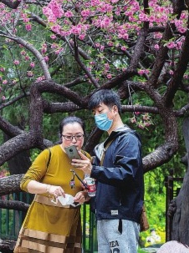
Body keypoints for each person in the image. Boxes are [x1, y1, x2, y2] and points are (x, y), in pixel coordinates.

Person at [73, 89, 144, 253]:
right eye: (94, 112)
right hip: (103, 215)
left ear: (114, 110)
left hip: (121, 217)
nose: (97, 116)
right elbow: (100, 180)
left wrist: (94, 170)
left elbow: (127, 174)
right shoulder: (103, 146)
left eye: (100, 111)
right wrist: (87, 184)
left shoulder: (128, 139)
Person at [14, 116, 91, 253]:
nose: (74, 141)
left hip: (68, 225)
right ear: (61, 136)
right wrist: (49, 188)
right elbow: (25, 183)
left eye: (78, 136)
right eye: (68, 137)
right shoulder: (49, 155)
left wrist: (84, 195)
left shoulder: (87, 159)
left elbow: (91, 189)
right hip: (42, 224)